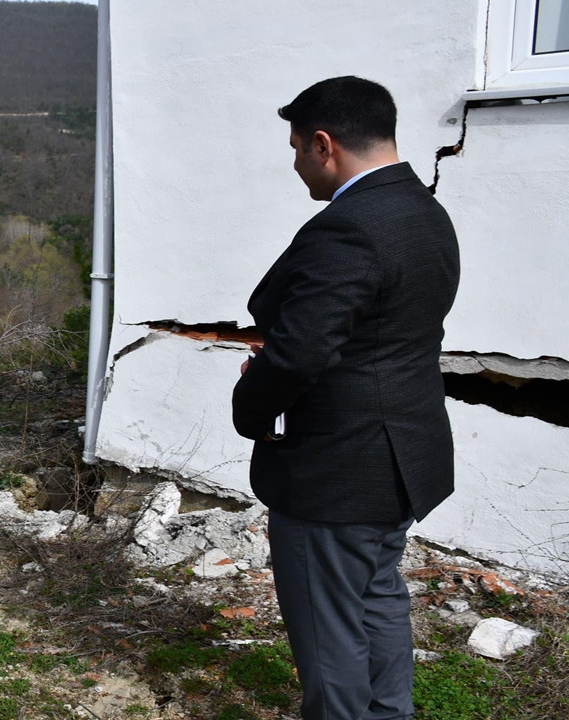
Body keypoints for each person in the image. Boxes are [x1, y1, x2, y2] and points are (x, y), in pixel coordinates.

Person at [232, 76, 460, 720]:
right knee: (377, 598)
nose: (296, 160)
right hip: (402, 458)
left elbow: (303, 353)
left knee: (329, 632)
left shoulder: (349, 228)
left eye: (297, 146)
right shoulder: (426, 211)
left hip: (337, 469)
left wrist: (251, 406)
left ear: (325, 145)